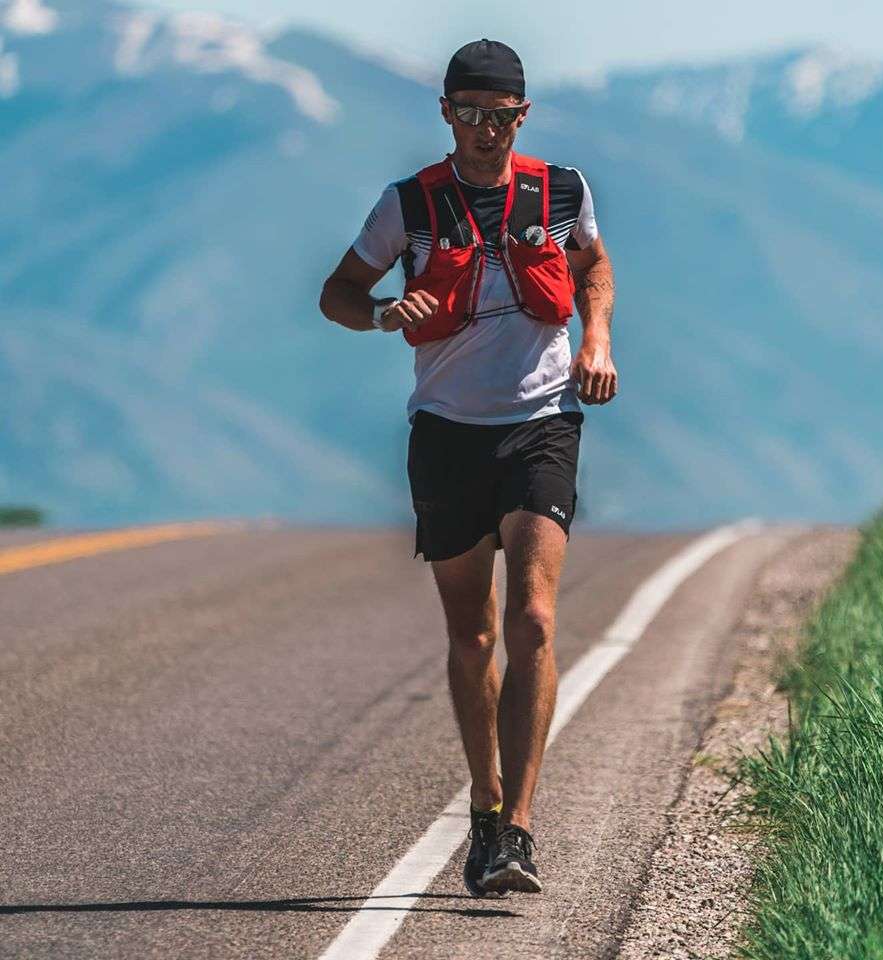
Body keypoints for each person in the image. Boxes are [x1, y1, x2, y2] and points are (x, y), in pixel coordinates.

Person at [319, 38, 617, 896]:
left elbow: (593, 265)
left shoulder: (562, 191)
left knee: (529, 619)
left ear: (523, 117)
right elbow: (338, 292)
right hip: (446, 430)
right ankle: (484, 804)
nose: (486, 131)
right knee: (474, 633)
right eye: (470, 115)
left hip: (544, 422)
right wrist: (381, 315)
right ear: (446, 115)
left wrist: (594, 338)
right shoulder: (408, 204)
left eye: (501, 117)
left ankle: (518, 829)